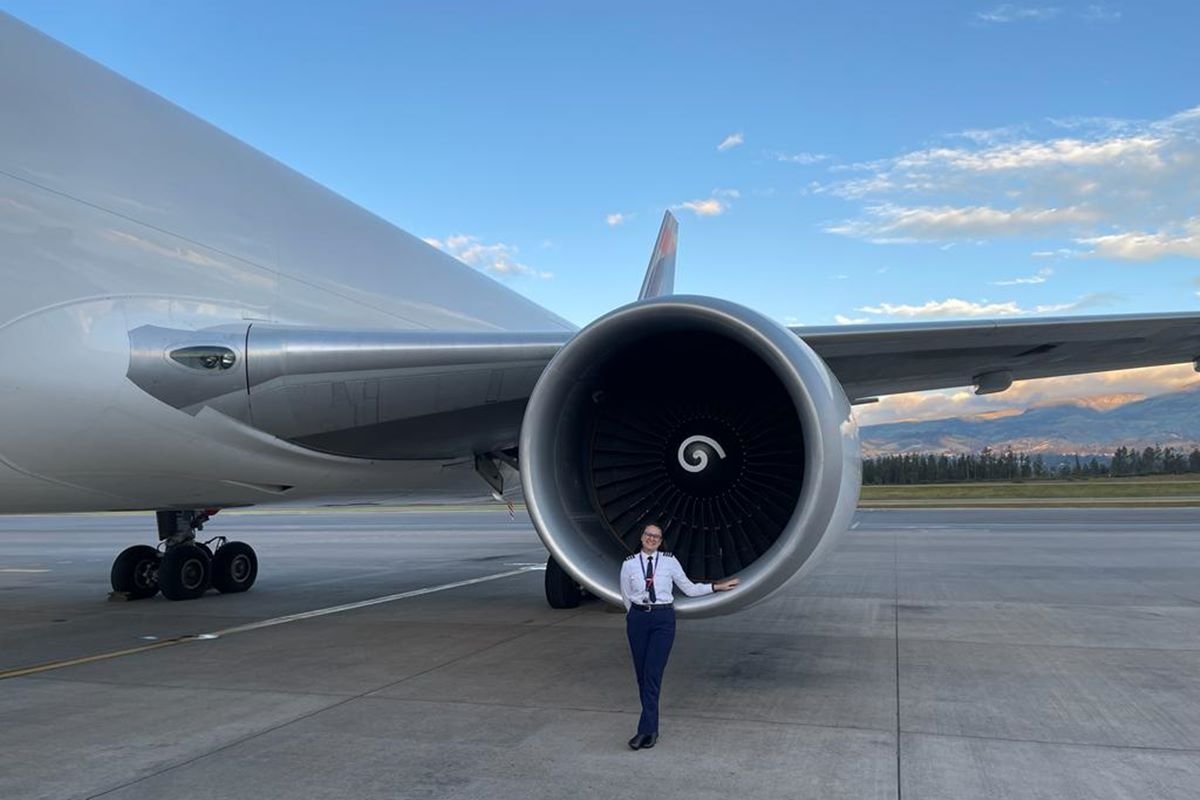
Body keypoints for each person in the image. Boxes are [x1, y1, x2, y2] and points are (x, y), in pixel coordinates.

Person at [619, 522, 739, 750]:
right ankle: (650, 729)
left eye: (656, 536)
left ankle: (646, 731)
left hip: (662, 620)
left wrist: (716, 587)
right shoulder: (629, 565)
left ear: (661, 540)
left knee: (652, 675)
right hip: (638, 619)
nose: (652, 539)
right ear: (642, 537)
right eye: (648, 535)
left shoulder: (669, 561)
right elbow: (626, 595)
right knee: (641, 676)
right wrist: (635, 616)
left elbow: (689, 589)